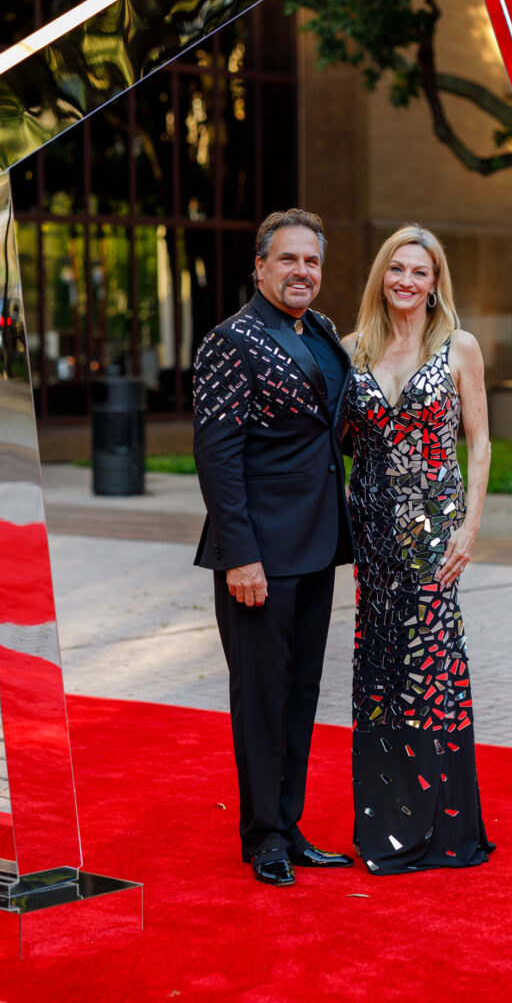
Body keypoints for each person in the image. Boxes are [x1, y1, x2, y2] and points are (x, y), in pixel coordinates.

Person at [192, 208, 354, 887]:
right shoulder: (231, 341)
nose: (301, 272)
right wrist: (241, 555)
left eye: (311, 261)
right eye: (287, 260)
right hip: (259, 554)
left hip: (317, 546)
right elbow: (217, 456)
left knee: (299, 693)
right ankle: (263, 839)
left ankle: (288, 824)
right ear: (259, 266)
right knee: (260, 696)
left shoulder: (317, 331)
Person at [341, 224, 494, 875]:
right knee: (380, 672)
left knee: (432, 669)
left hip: (434, 532)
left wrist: (469, 524)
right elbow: (337, 441)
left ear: (436, 284)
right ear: (382, 275)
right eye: (396, 269)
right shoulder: (352, 349)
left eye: (419, 272)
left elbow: (480, 441)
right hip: (371, 532)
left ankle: (444, 828)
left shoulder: (459, 347)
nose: (406, 280)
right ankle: (387, 828)